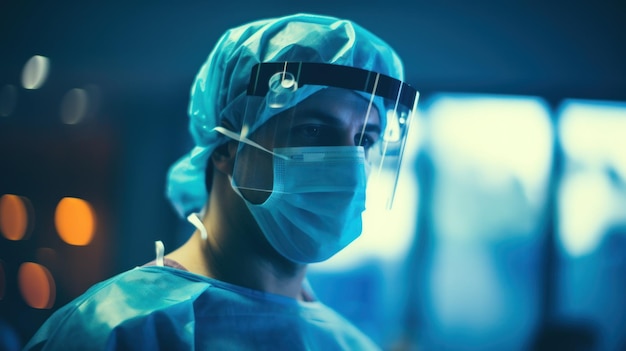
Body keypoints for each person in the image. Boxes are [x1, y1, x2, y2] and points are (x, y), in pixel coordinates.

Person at [24, 13, 418, 350]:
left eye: (364, 140)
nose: (349, 165)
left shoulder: (348, 344)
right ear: (227, 147)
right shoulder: (113, 329)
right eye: (313, 131)